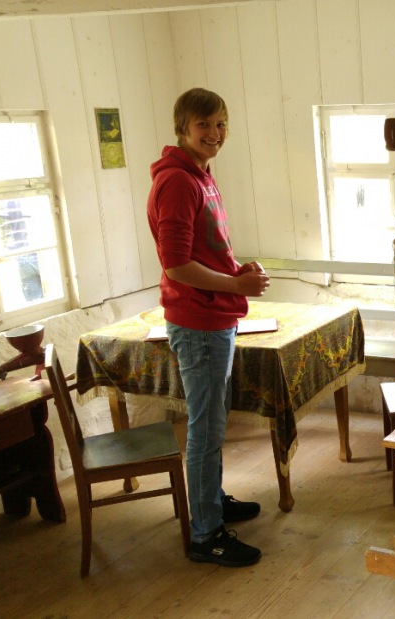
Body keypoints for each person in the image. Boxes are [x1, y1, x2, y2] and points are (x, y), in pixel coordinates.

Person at [147, 87, 270, 567]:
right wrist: (236, 282)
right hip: (197, 322)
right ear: (183, 127)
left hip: (213, 316)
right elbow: (176, 265)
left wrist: (239, 269)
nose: (215, 134)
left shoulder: (200, 174)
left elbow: (204, 248)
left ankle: (212, 503)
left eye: (221, 124)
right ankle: (205, 534)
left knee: (214, 424)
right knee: (204, 429)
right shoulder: (178, 181)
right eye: (204, 125)